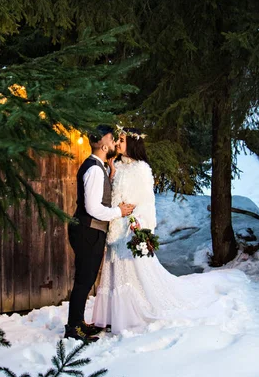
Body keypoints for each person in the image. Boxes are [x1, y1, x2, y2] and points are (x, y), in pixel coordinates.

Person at [92, 127, 209, 334]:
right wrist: (112, 175)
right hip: (115, 225)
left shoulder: (142, 169)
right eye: (117, 140)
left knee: (131, 273)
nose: (118, 144)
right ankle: (112, 316)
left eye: (122, 140)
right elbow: (113, 195)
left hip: (129, 229)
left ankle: (131, 316)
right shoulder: (116, 165)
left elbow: (147, 202)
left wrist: (141, 226)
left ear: (133, 143)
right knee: (115, 272)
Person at [64, 125, 135, 342]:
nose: (115, 143)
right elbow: (93, 208)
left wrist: (111, 175)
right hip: (88, 230)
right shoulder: (94, 169)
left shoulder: (98, 167)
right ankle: (73, 328)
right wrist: (119, 212)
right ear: (102, 143)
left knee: (86, 279)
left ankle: (78, 323)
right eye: (112, 138)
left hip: (89, 231)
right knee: (84, 280)